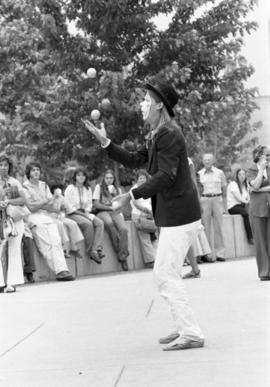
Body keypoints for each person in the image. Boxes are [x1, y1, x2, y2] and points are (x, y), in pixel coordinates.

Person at [83, 81, 204, 351]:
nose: (142, 104)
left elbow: (166, 176)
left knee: (164, 274)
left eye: (146, 99)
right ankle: (185, 326)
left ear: (160, 104)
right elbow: (136, 158)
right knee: (166, 273)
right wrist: (106, 143)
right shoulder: (160, 133)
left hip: (180, 215)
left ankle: (191, 332)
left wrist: (131, 195)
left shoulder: (169, 134)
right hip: (176, 215)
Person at [23, 162, 74, 281]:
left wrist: (40, 204)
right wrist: (43, 202)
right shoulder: (24, 187)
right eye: (33, 170)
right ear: (29, 173)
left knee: (56, 241)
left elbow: (52, 205)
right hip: (32, 217)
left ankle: (63, 270)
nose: (36, 172)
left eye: (38, 170)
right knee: (45, 244)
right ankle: (59, 271)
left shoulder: (44, 185)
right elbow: (30, 207)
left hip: (46, 216)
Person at [64, 168, 105, 264]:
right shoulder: (70, 188)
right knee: (88, 223)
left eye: (83, 175)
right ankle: (89, 251)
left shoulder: (88, 188)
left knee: (100, 223)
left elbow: (89, 204)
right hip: (73, 213)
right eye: (78, 175)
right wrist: (84, 214)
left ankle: (95, 250)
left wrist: (87, 212)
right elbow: (69, 207)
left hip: (85, 212)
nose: (81, 177)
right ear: (75, 177)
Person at [92, 169, 129, 271]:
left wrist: (114, 197)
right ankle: (121, 255)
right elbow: (96, 204)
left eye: (111, 178)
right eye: (107, 178)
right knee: (109, 223)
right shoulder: (98, 187)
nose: (109, 180)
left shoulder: (118, 189)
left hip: (115, 212)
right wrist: (109, 208)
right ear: (104, 179)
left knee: (124, 229)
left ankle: (123, 255)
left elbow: (121, 205)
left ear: (114, 179)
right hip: (102, 212)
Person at [0, 155, 26, 293]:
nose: (3, 167)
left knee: (15, 249)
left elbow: (23, 199)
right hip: (0, 220)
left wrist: (9, 201)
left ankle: (13, 283)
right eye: (0, 165)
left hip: (15, 220)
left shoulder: (14, 182)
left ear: (9, 167)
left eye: (5, 165)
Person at [182, 158, 211, 279]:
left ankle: (194, 269)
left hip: (184, 200)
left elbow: (193, 181)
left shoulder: (186, 161)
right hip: (178, 200)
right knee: (184, 237)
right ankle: (194, 269)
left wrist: (198, 202)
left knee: (185, 236)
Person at [198, 153, 227, 262]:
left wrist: (225, 207)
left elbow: (224, 190)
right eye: (205, 160)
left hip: (217, 200)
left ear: (213, 160)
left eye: (209, 159)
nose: (207, 161)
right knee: (205, 228)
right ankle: (208, 255)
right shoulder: (199, 174)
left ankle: (221, 254)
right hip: (204, 200)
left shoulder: (220, 173)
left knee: (218, 227)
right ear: (202, 161)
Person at [247, 145, 270, 281]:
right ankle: (264, 272)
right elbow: (254, 184)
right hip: (257, 209)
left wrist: (260, 189)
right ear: (258, 156)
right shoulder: (251, 170)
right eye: (266, 155)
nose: (268, 157)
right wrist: (261, 169)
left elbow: (256, 188)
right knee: (260, 242)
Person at [50, 183, 84, 258]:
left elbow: (64, 208)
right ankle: (63, 250)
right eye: (56, 188)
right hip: (50, 217)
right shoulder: (49, 197)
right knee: (60, 225)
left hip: (59, 217)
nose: (57, 190)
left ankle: (74, 247)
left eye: (59, 188)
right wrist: (54, 198)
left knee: (72, 223)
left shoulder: (62, 198)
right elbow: (47, 207)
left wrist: (62, 214)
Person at [130, 169, 156, 269]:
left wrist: (151, 212)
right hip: (139, 215)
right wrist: (146, 212)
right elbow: (135, 203)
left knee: (154, 238)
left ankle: (157, 259)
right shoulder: (134, 190)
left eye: (144, 178)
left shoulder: (149, 189)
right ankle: (151, 260)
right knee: (145, 239)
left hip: (151, 215)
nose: (142, 180)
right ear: (136, 179)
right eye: (140, 178)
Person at [227, 168, 253, 244]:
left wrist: (249, 201)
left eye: (243, 174)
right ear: (237, 176)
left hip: (242, 206)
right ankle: (250, 238)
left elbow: (248, 196)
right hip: (233, 207)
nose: (242, 176)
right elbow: (238, 197)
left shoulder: (246, 185)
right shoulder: (233, 184)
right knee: (245, 213)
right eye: (240, 174)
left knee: (252, 212)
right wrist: (247, 202)